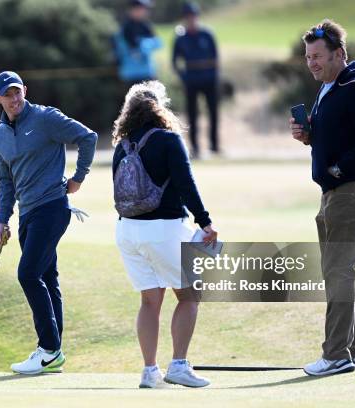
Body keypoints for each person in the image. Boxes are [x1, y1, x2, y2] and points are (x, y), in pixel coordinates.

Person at [290, 20, 355, 376]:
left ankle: (334, 356)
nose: (312, 63)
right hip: (332, 193)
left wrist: (338, 170)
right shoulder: (328, 89)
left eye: (318, 56)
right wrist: (308, 136)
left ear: (339, 54)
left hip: (352, 190)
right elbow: (336, 136)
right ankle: (353, 351)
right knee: (337, 272)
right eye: (308, 57)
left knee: (338, 270)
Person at [112, 80, 218, 388]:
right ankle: (179, 366)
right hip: (164, 229)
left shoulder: (122, 145)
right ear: (160, 107)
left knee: (150, 301)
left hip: (127, 231)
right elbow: (187, 185)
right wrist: (205, 221)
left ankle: (149, 371)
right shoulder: (169, 140)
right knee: (189, 294)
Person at [0, 71, 97, 374]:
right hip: (27, 213)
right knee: (47, 278)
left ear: (25, 90)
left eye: (17, 92)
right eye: (7, 94)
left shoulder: (45, 118)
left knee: (28, 273)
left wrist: (78, 177)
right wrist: (2, 218)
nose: (14, 99)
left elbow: (87, 137)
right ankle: (54, 352)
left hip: (52, 207)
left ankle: (48, 349)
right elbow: (5, 181)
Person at [172, 1, 220, 158]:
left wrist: (213, 75)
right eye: (188, 16)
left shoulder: (207, 34)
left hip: (208, 79)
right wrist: (184, 77)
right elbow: (175, 61)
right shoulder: (180, 38)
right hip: (191, 80)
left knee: (213, 113)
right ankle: (195, 147)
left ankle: (214, 146)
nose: (191, 19)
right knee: (192, 115)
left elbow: (215, 58)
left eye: (193, 16)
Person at [114, 0, 162, 84]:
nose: (143, 11)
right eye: (139, 9)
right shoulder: (125, 28)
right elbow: (121, 49)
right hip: (130, 75)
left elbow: (158, 43)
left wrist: (146, 44)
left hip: (147, 74)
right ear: (131, 10)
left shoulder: (146, 26)